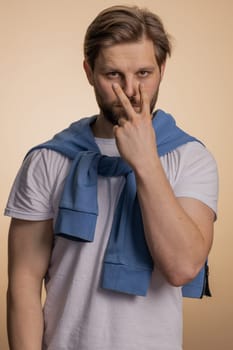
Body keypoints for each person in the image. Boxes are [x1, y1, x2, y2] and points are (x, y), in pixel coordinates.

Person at [5, 5, 218, 350]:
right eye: (113, 75)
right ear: (89, 72)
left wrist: (146, 162)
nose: (131, 90)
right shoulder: (49, 159)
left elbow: (182, 267)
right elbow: (24, 283)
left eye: (144, 73)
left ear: (162, 69)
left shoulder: (190, 158)